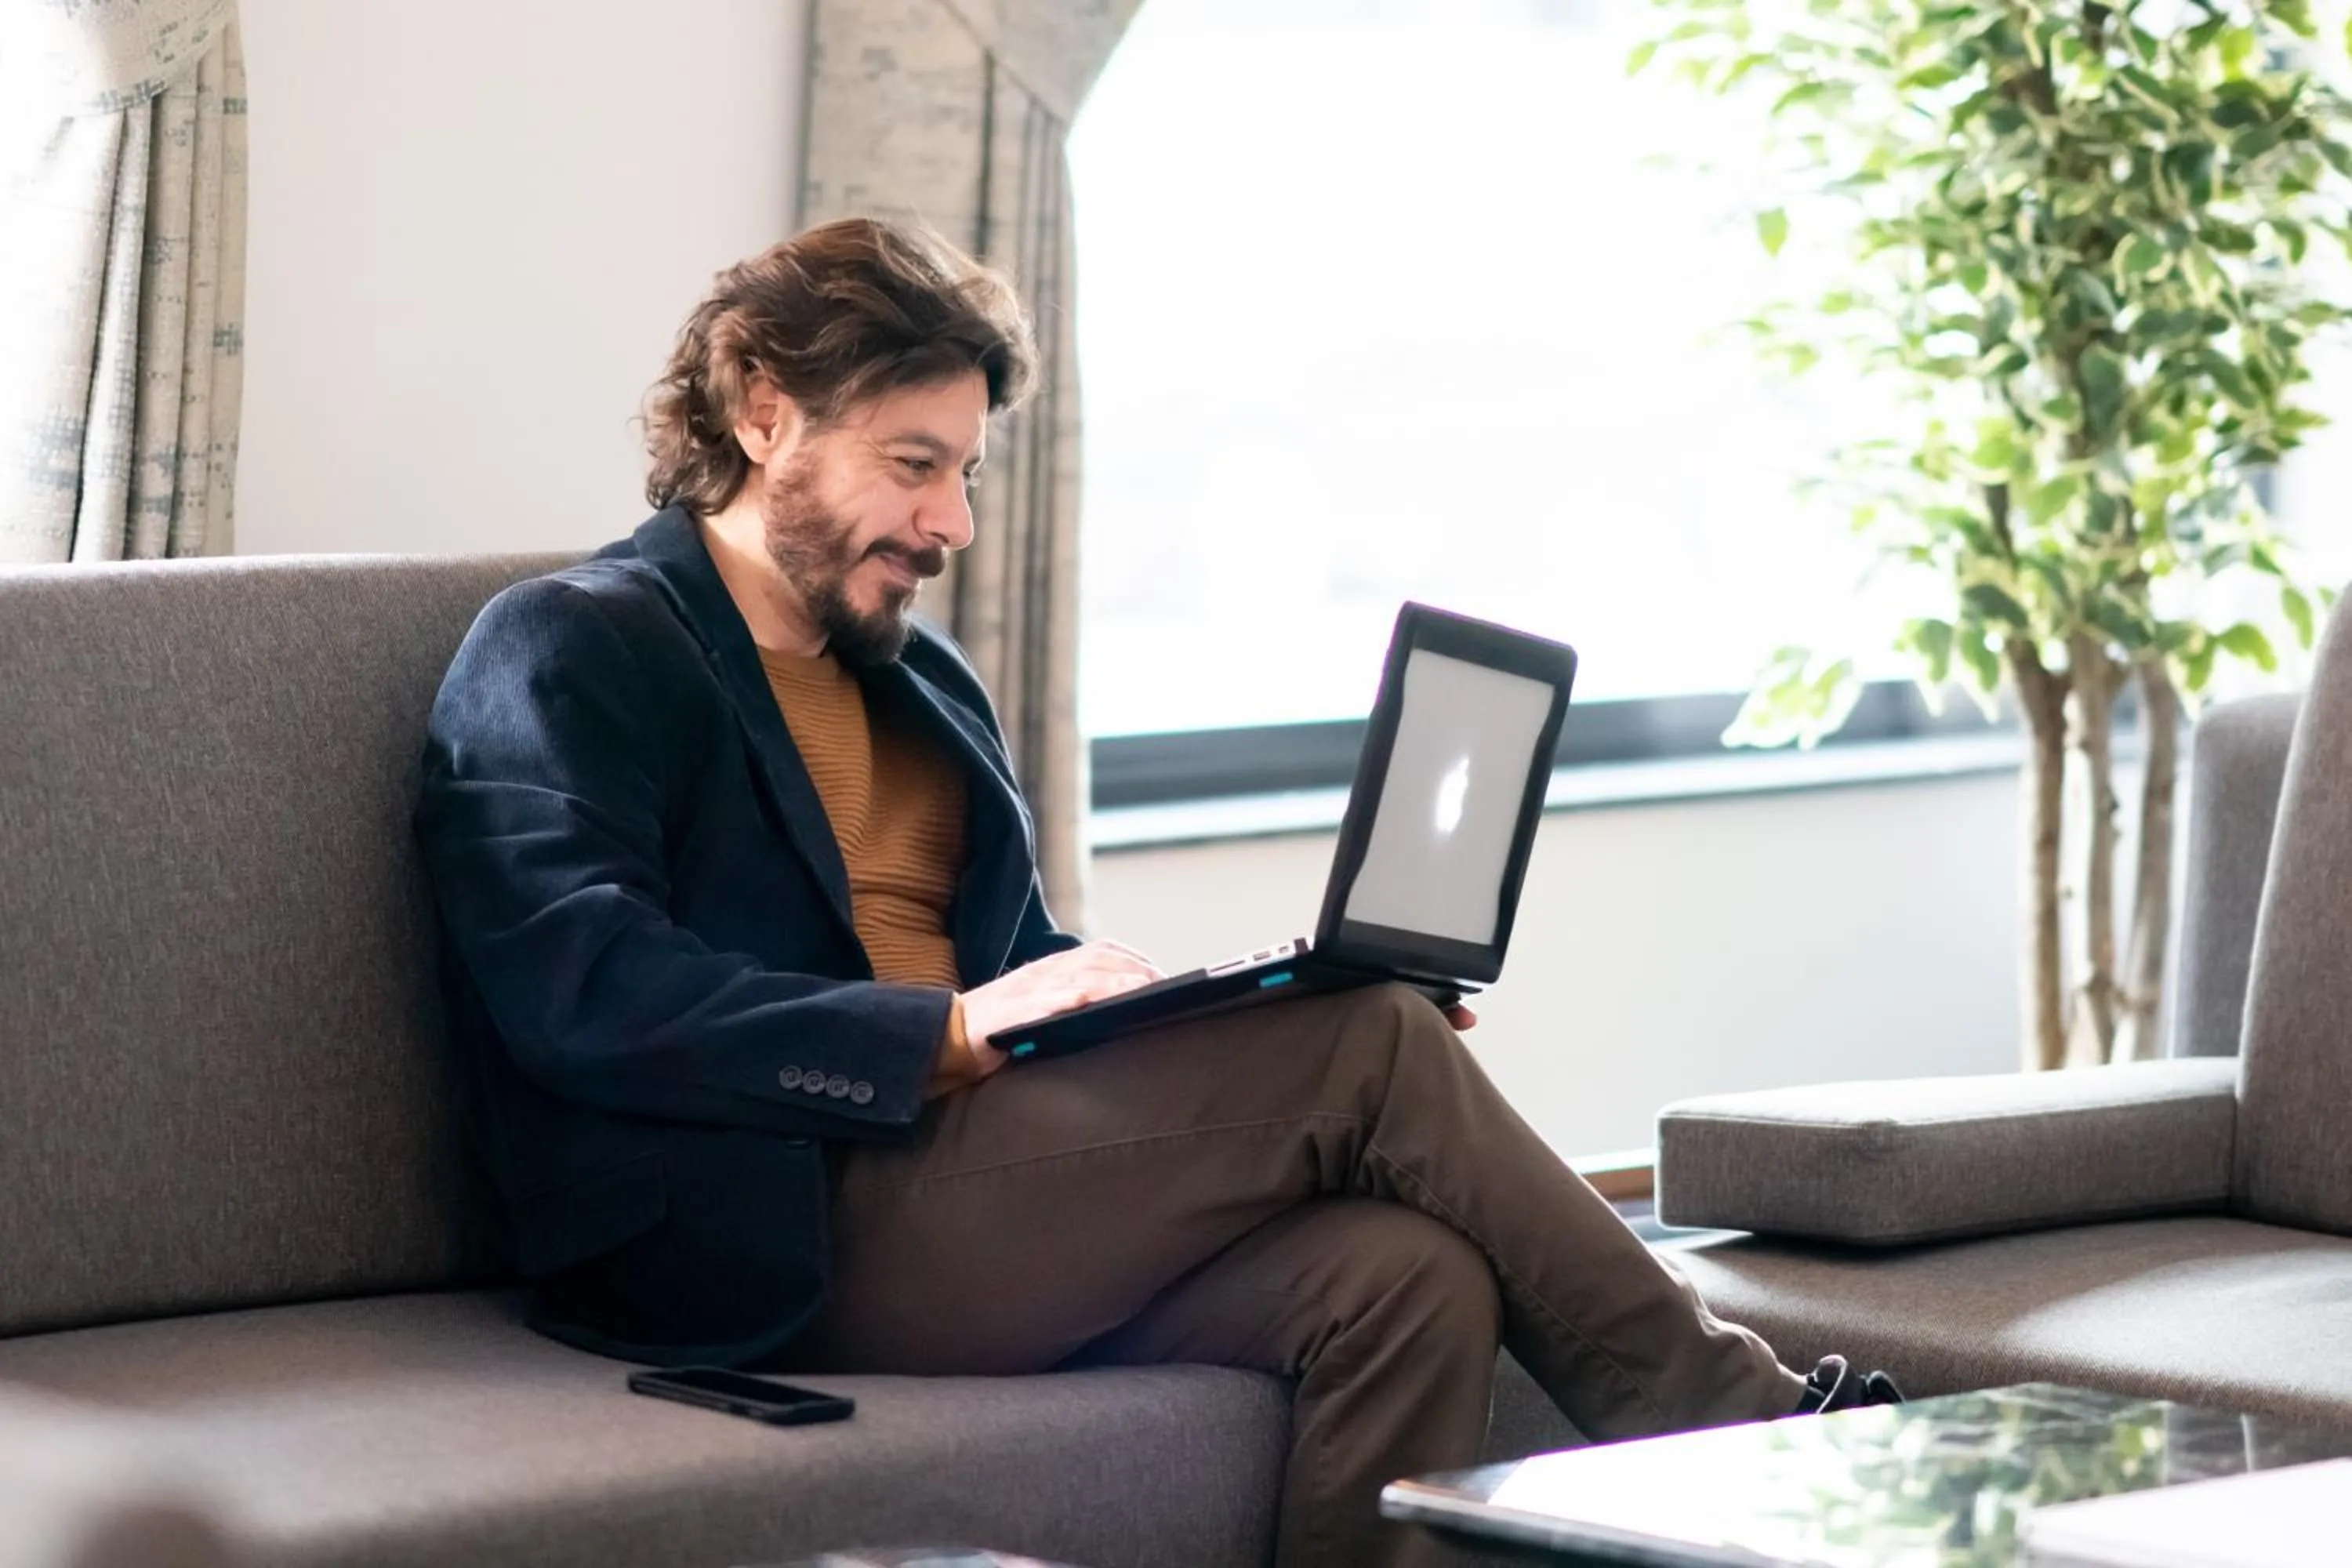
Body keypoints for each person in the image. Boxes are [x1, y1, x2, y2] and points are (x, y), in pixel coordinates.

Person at [415, 216, 1897, 1568]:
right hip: (768, 1227)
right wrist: (938, 1035)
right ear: (759, 412)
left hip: (972, 1185)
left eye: (967, 473)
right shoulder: (573, 644)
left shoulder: (921, 681)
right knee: (1374, 1044)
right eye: (912, 463)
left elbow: (1016, 977)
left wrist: (1205, 1015)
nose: (953, 525)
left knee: (1408, 1278)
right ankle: (1765, 1447)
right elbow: (583, 990)